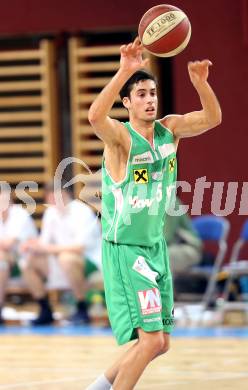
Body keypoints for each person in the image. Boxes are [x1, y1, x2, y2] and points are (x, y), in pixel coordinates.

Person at [86, 37, 221, 390]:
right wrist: (124, 70)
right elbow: (95, 116)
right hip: (126, 249)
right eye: (141, 94)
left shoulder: (170, 130)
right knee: (149, 340)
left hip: (154, 247)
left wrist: (201, 84)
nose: (149, 100)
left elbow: (212, 118)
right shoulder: (121, 139)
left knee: (160, 343)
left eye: (152, 92)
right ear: (127, 102)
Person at [21, 182, 102, 325]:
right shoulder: (50, 213)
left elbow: (80, 248)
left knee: (66, 259)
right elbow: (44, 242)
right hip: (59, 260)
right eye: (50, 198)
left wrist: (48, 249)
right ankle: (45, 309)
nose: (52, 201)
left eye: (55, 197)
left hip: (89, 261)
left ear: (65, 194)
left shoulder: (82, 211)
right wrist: (32, 245)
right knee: (28, 262)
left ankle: (81, 307)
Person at [0, 187, 38, 324]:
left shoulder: (19, 214)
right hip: (9, 262)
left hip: (29, 260)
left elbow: (8, 244)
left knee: (2, 258)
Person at [164, 196, 202, 275]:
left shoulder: (170, 202)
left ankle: (162, 287)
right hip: (170, 246)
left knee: (162, 257)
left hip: (188, 247)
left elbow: (166, 237)